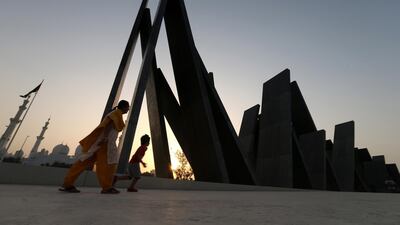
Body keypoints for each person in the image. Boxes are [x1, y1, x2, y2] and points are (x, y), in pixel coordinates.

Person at [59, 100, 130, 194]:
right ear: (124, 107)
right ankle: (107, 187)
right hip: (105, 143)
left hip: (99, 143)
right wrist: (105, 138)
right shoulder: (116, 113)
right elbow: (109, 125)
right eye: (128, 107)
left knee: (83, 161)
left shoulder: (116, 113)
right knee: (109, 165)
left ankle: (67, 184)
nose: (128, 109)